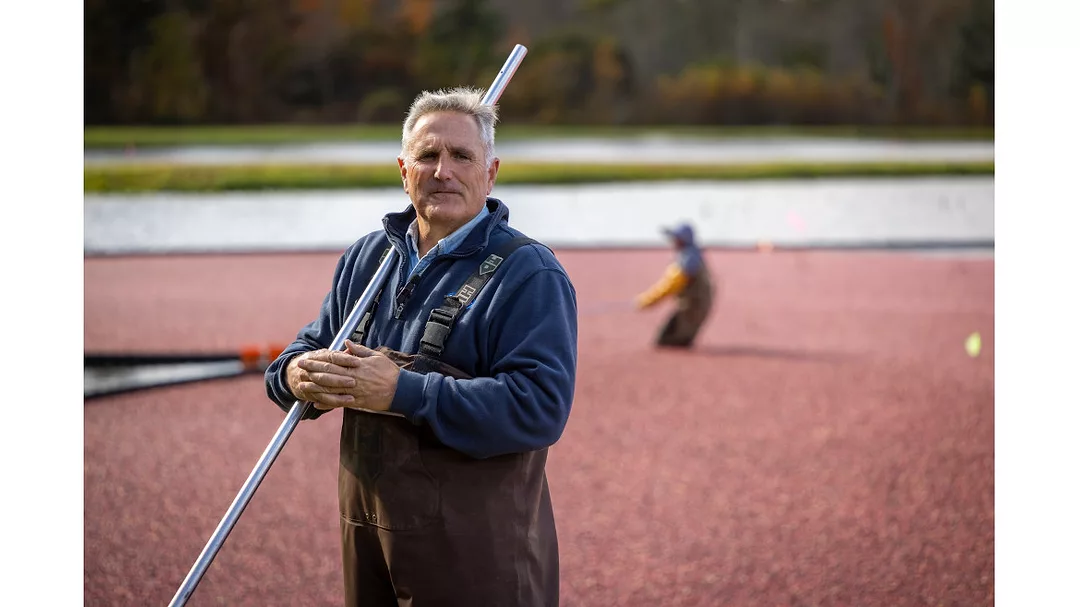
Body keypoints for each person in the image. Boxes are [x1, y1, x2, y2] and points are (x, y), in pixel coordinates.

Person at [264, 87, 577, 607]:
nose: (443, 170)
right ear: (403, 170)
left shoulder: (529, 273)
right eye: (428, 156)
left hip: (479, 554)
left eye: (461, 156)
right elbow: (307, 348)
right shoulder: (367, 259)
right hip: (368, 538)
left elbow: (539, 408)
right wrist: (296, 376)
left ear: (491, 171)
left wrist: (404, 392)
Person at [634, 222, 714, 347]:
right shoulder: (689, 254)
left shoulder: (689, 259)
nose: (672, 241)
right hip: (691, 305)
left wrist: (647, 300)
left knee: (670, 342)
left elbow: (670, 285)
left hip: (694, 307)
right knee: (668, 339)